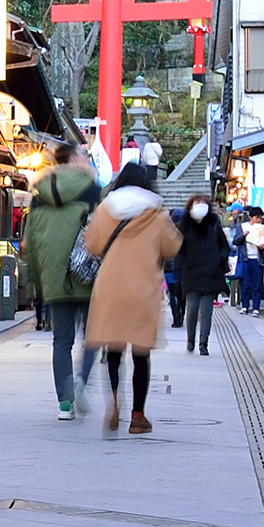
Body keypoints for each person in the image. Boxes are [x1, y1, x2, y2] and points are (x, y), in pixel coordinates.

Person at [83, 163, 181, 434]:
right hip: (143, 288)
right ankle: (138, 416)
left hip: (110, 287)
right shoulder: (156, 212)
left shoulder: (106, 209)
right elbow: (172, 246)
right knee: (141, 354)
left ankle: (114, 403)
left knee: (113, 351)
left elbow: (91, 245)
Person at [21, 143, 101, 420]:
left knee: (61, 341)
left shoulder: (38, 193)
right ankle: (80, 380)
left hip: (55, 279)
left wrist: (37, 286)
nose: (88, 158)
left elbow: (29, 245)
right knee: (92, 337)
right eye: (85, 154)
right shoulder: (92, 190)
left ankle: (64, 404)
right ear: (75, 159)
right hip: (88, 275)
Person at [175, 195, 230, 355]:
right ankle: (191, 338)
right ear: (190, 207)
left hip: (211, 273)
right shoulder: (183, 226)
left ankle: (203, 343)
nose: (200, 206)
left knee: (207, 311)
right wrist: (178, 270)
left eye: (203, 204)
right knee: (192, 308)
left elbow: (224, 246)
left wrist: (220, 258)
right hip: (191, 273)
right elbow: (178, 251)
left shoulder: (214, 225)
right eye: (197, 203)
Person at [241, 210, 264, 314]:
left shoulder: (263, 228)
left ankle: (256, 307)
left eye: (260, 218)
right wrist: (243, 235)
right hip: (246, 259)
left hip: (257, 259)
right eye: (257, 218)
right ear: (250, 217)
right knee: (245, 284)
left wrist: (262, 246)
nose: (259, 220)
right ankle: (244, 306)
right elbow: (236, 241)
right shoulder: (243, 227)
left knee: (257, 285)